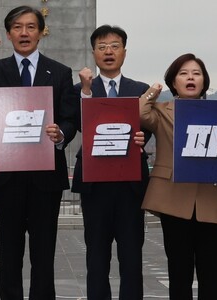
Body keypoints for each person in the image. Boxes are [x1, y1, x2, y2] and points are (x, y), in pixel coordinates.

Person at [0, 5, 79, 299]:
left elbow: (69, 117)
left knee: (44, 254)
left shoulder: (61, 72)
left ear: (41, 32)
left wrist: (61, 133)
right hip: (7, 175)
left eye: (30, 27)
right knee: (9, 253)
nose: (24, 33)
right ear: (8, 33)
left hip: (45, 178)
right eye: (17, 27)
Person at [140, 53, 217, 300]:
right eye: (183, 74)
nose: (190, 78)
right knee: (179, 273)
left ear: (204, 81)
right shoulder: (162, 111)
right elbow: (141, 113)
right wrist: (154, 90)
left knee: (212, 273)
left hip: (210, 201)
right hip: (174, 201)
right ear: (174, 82)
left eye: (196, 73)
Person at [72, 25, 149, 300]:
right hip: (95, 185)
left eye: (115, 46)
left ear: (124, 52)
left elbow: (148, 128)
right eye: (102, 46)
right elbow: (79, 125)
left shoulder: (140, 91)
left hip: (130, 186)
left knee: (131, 257)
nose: (108, 51)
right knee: (96, 256)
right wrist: (85, 91)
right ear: (93, 53)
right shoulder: (80, 90)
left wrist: (141, 136)